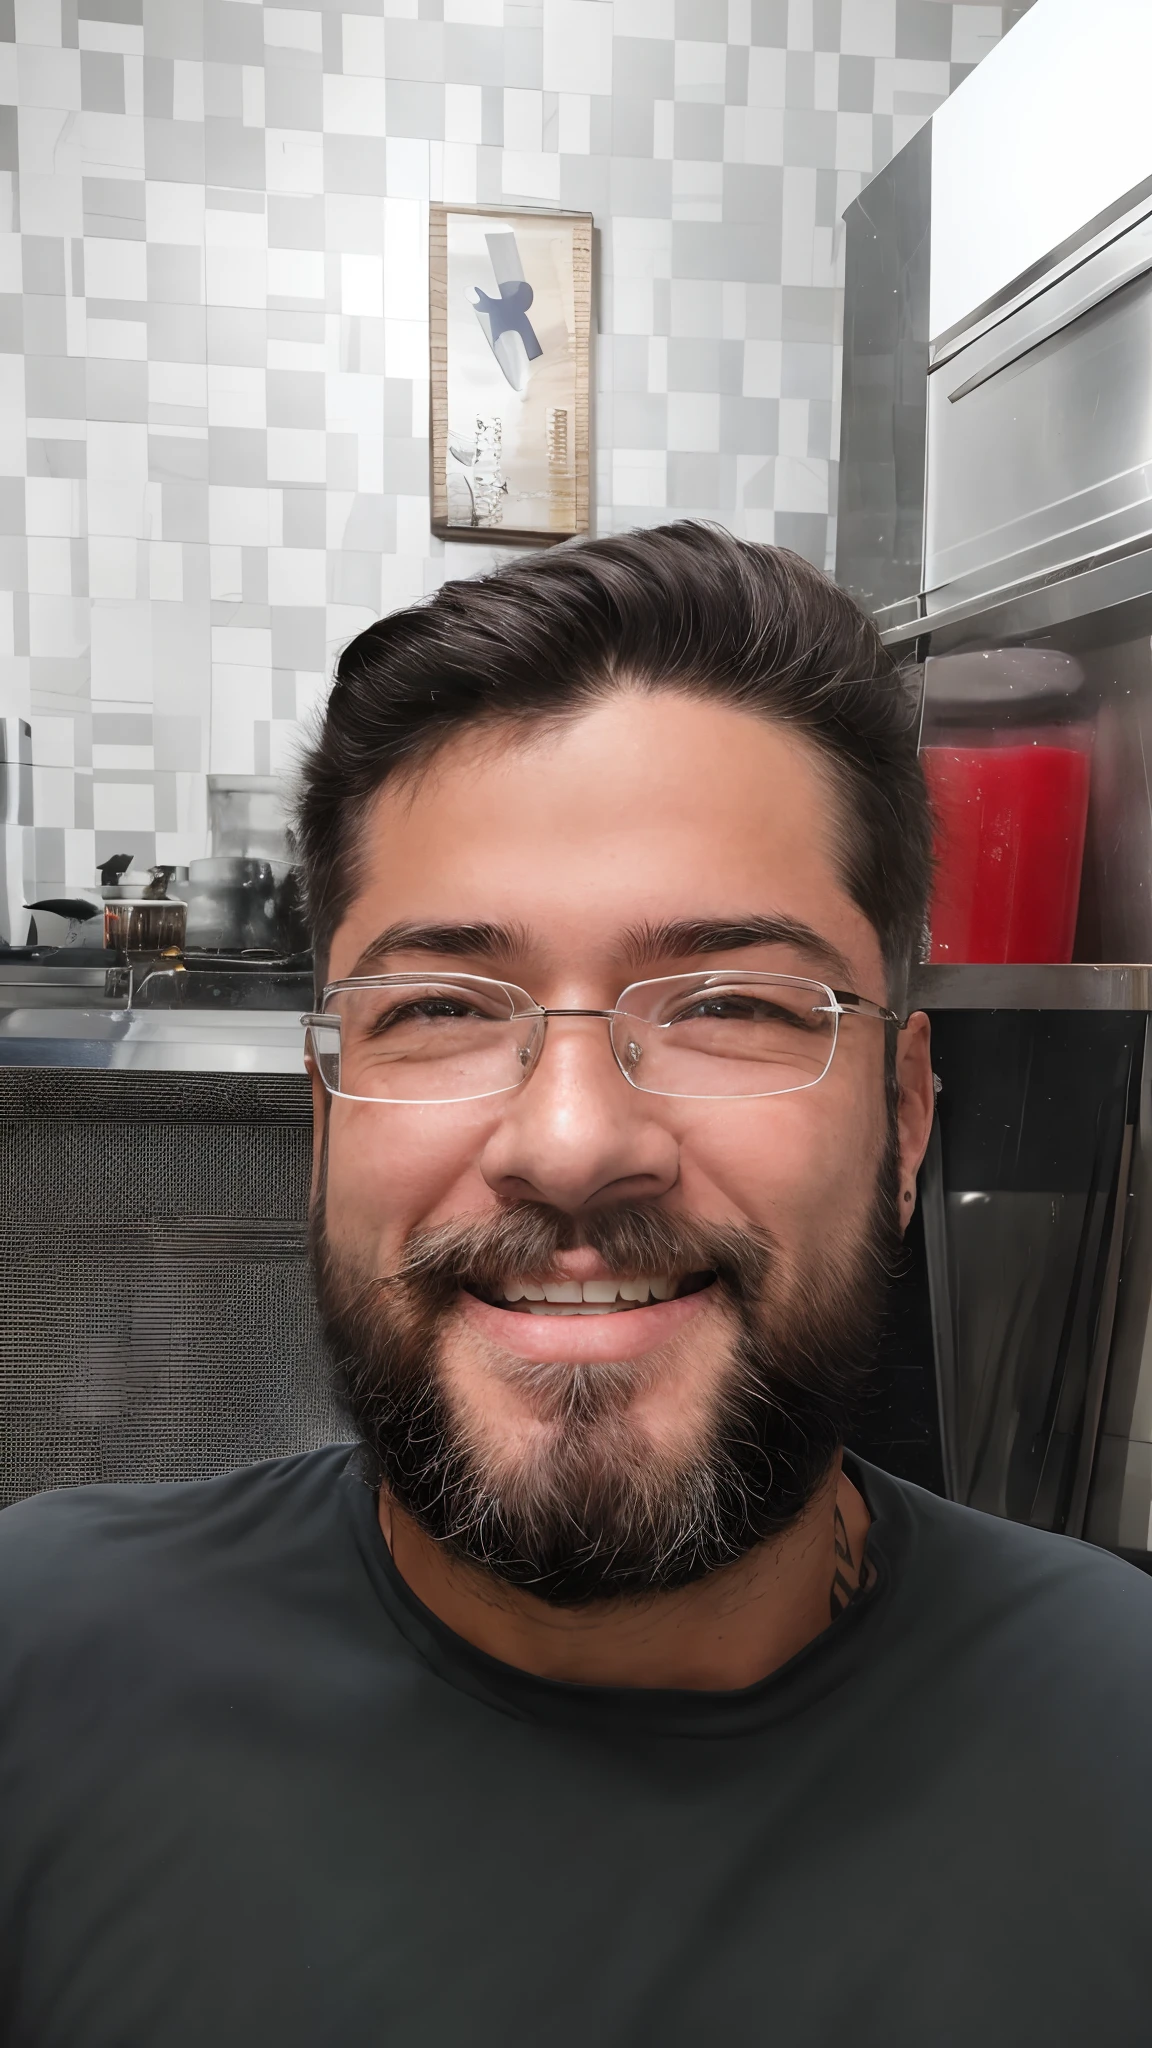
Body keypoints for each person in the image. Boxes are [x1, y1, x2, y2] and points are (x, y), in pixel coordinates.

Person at [1, 523, 1150, 2048]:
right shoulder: (38, 1671)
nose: (571, 1141)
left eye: (734, 1002)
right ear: (326, 1107)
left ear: (907, 1114)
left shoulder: (1122, 1735)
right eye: (440, 1007)